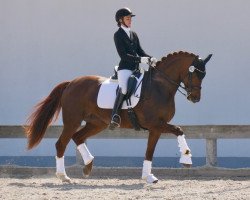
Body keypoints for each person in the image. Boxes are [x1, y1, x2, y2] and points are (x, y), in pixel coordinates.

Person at [109, 7, 157, 130]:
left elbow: (140, 51)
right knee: (124, 89)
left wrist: (150, 58)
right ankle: (115, 116)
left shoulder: (133, 34)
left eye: (130, 18)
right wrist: (140, 60)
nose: (130, 21)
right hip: (125, 68)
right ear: (120, 20)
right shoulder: (118, 35)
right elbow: (123, 55)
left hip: (136, 69)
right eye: (127, 18)